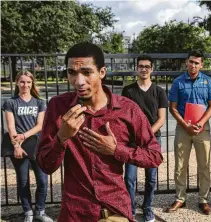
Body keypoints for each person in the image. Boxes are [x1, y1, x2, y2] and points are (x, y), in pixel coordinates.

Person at [36, 42, 163, 222]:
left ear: (102, 72)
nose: (79, 81)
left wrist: (117, 150)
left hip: (115, 209)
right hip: (76, 212)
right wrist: (62, 137)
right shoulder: (58, 108)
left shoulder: (127, 109)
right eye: (72, 72)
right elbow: (45, 165)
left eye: (87, 72)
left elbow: (155, 156)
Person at [165, 50, 211, 215]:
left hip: (203, 129)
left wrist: (201, 122)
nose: (193, 65)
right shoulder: (178, 82)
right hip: (183, 128)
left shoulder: (208, 81)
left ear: (201, 65)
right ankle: (180, 198)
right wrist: (185, 125)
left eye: (197, 63)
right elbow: (172, 107)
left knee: (205, 165)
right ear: (186, 63)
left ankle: (203, 199)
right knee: (180, 165)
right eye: (191, 62)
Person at [122, 55, 168, 222]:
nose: (143, 69)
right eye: (141, 66)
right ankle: (131, 210)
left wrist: (147, 134)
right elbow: (124, 116)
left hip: (152, 141)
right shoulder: (128, 90)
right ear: (137, 68)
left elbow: (161, 119)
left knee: (151, 178)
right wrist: (137, 135)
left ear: (152, 69)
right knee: (129, 178)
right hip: (132, 141)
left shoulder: (159, 91)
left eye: (147, 66)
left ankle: (148, 208)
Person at [3, 71, 53, 222]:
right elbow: (11, 127)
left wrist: (24, 136)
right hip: (18, 146)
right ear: (17, 82)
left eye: (28, 82)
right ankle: (28, 213)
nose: (25, 85)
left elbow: (39, 126)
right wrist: (17, 146)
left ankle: (40, 211)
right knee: (23, 181)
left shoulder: (40, 102)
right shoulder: (10, 102)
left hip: (37, 146)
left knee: (43, 180)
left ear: (32, 84)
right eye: (22, 82)